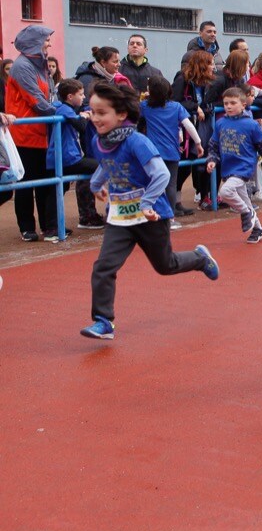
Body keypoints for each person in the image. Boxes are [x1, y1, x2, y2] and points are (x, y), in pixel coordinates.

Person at [79, 82, 220, 340]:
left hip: (151, 216)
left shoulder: (137, 141)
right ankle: (103, 321)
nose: (95, 118)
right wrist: (96, 184)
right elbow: (106, 164)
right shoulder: (99, 141)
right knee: (103, 267)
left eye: (101, 113)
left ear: (121, 114)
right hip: (120, 218)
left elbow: (161, 174)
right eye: (92, 111)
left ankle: (201, 259)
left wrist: (146, 203)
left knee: (166, 266)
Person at [6, 26, 60, 242]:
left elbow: (48, 96)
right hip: (25, 134)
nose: (49, 43)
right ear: (34, 41)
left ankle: (49, 226)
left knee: (46, 181)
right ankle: (27, 227)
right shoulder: (22, 66)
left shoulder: (41, 64)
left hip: (42, 133)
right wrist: (65, 112)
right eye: (46, 40)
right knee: (26, 183)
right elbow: (36, 100)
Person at [206, 87, 262, 243]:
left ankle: (247, 213)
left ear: (243, 105)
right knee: (244, 199)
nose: (229, 106)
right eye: (226, 103)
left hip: (244, 167)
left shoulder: (251, 124)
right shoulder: (220, 123)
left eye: (233, 103)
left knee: (225, 192)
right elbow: (213, 144)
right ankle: (258, 229)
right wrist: (212, 159)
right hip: (228, 168)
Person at [141, 76, 202, 230]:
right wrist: (198, 143)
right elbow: (188, 125)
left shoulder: (145, 107)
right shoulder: (176, 107)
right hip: (171, 152)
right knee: (170, 184)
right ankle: (170, 218)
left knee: (152, 184)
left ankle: (151, 214)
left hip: (152, 153)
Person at [49, 78, 104, 229]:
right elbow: (81, 126)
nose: (84, 97)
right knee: (104, 166)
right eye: (80, 94)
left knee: (60, 188)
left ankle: (55, 226)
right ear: (70, 97)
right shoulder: (65, 109)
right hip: (68, 159)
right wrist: (84, 116)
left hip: (69, 157)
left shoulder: (65, 108)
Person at [171, 50, 216, 213]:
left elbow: (204, 103)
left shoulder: (204, 83)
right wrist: (195, 107)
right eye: (210, 63)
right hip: (182, 129)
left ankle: (184, 200)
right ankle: (173, 203)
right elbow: (175, 101)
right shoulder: (182, 79)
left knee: (191, 165)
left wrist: (204, 108)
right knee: (182, 165)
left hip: (196, 127)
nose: (213, 67)